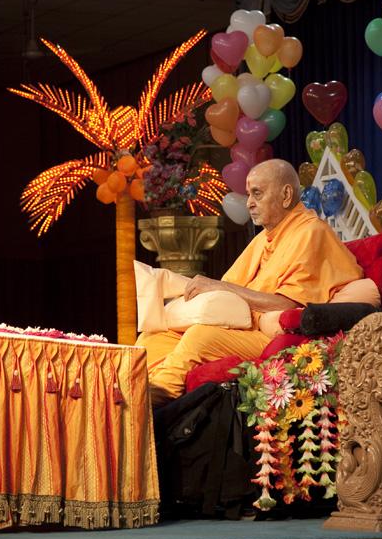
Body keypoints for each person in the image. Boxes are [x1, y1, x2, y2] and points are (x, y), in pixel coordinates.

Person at [137, 159, 364, 406]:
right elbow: (228, 289)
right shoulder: (263, 238)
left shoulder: (311, 232)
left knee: (199, 336)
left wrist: (219, 287)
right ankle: (131, 388)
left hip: (267, 333)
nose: (249, 203)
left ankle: (151, 400)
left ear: (286, 195)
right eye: (248, 194)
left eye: (257, 193)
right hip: (242, 324)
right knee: (155, 336)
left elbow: (287, 305)